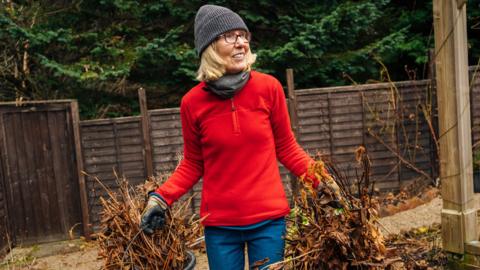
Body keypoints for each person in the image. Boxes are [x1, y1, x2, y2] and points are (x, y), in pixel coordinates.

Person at [140, 4, 326, 269]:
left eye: (244, 35)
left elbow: (286, 147)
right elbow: (193, 163)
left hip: (269, 221)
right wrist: (160, 198)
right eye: (231, 36)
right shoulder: (192, 103)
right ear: (209, 46)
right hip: (221, 228)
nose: (241, 43)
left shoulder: (268, 88)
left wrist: (324, 182)